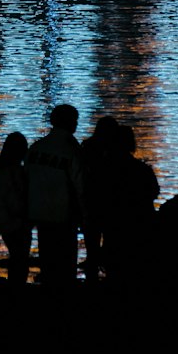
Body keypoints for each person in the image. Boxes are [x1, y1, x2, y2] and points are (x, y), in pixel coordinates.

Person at [26, 104, 84, 287]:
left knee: (48, 259)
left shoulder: (36, 148)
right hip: (64, 214)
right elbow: (81, 185)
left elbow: (26, 180)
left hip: (39, 212)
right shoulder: (72, 150)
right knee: (66, 263)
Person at [101, 124, 160, 282]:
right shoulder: (142, 169)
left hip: (114, 226)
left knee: (115, 269)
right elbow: (154, 192)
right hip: (140, 225)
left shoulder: (103, 171)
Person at [79, 114, 120, 281]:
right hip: (110, 203)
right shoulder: (116, 151)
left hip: (91, 201)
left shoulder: (87, 147)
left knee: (91, 242)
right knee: (111, 241)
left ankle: (91, 274)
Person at [0, 132, 31, 283]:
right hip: (16, 221)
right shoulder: (14, 172)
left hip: (4, 221)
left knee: (16, 257)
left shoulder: (0, 171)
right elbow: (15, 199)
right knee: (20, 258)